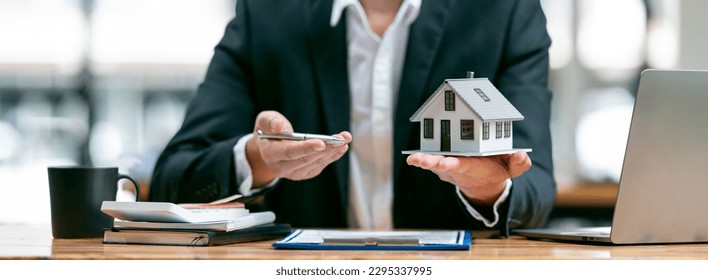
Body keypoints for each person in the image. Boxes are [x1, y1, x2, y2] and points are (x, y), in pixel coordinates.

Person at [149, 0, 556, 237]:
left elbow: (534, 183)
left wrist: (487, 188)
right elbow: (176, 177)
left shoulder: (504, 10)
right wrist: (257, 159)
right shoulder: (266, 11)